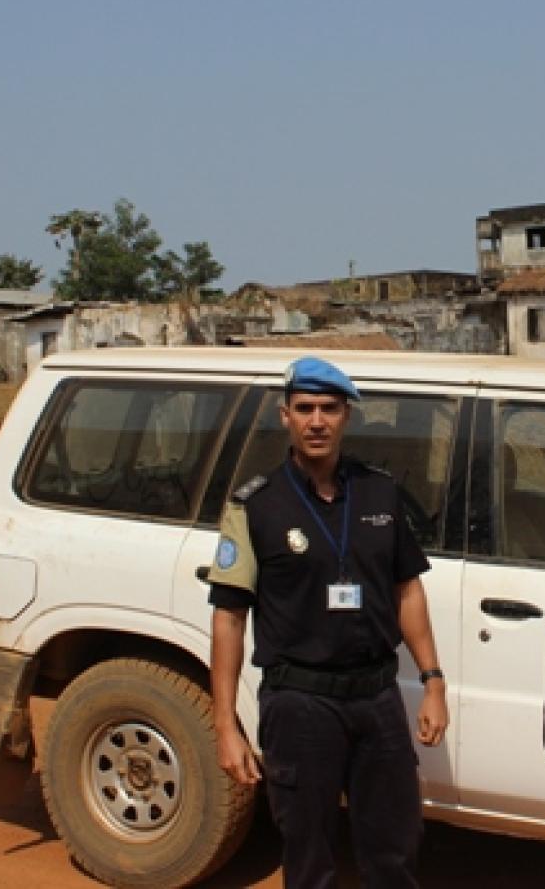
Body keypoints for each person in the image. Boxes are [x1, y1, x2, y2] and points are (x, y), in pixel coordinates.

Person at [208, 356, 448, 889]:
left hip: (377, 698)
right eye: (305, 408)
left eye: (330, 409)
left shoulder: (380, 493)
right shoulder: (254, 507)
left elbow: (408, 588)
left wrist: (433, 681)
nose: (317, 420)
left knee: (395, 849)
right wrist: (226, 725)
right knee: (309, 856)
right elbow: (229, 618)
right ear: (285, 416)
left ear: (347, 416)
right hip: (300, 705)